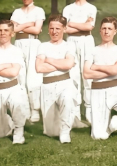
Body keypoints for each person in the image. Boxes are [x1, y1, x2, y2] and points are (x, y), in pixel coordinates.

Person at [84, 17, 117, 140]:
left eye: (109, 29)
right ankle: (113, 125)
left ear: (115, 31)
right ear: (100, 31)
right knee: (98, 137)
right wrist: (112, 69)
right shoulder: (92, 50)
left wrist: (96, 67)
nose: (106, 31)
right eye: (104, 28)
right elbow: (87, 73)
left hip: (116, 90)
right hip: (97, 91)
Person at [35, 15, 82, 143]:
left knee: (67, 98)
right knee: (51, 132)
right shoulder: (42, 46)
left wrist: (48, 60)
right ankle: (65, 124)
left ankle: (66, 131)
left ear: (64, 29)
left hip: (65, 83)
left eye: (57, 28)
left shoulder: (69, 45)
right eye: (51, 28)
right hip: (47, 86)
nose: (54, 31)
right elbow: (39, 67)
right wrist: (62, 63)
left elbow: (68, 64)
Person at [61, 0, 98, 122]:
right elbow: (65, 29)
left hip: (86, 41)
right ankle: (75, 110)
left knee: (87, 74)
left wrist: (72, 23)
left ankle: (88, 108)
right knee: (73, 75)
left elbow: (89, 27)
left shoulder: (91, 8)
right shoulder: (68, 9)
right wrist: (81, 25)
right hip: (71, 42)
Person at [11, 0, 46, 122]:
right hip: (18, 44)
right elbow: (12, 30)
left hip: (33, 43)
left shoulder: (39, 11)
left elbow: (37, 30)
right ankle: (23, 109)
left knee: (33, 77)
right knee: (20, 76)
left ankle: (35, 109)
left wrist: (19, 26)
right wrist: (27, 24)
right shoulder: (17, 12)